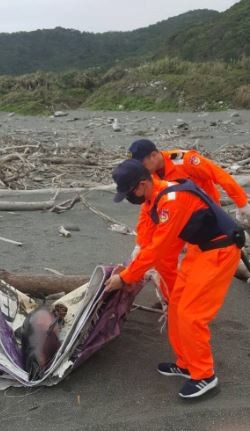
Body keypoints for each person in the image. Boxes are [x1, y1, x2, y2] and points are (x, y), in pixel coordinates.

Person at [105, 159, 243, 398]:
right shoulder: (153, 199)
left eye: (129, 193)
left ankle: (205, 376)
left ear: (142, 184)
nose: (129, 198)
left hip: (219, 251)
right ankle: (186, 364)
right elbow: (148, 235)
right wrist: (137, 254)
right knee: (176, 306)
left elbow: (159, 248)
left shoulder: (172, 201)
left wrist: (127, 277)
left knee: (191, 315)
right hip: (198, 250)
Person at [127, 139, 249, 300]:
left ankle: (198, 297)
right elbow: (149, 208)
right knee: (163, 257)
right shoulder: (149, 177)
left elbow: (219, 175)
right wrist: (140, 243)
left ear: (154, 155)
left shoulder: (185, 161)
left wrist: (242, 203)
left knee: (207, 255)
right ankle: (172, 297)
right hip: (176, 218)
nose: (139, 169)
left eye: (141, 163)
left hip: (205, 217)